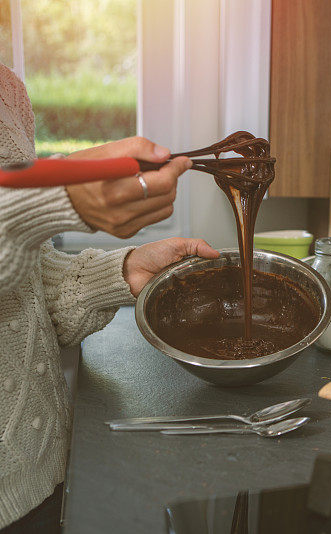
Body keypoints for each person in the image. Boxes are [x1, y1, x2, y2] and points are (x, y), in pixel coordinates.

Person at [0, 64, 219, 532]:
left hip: (39, 470)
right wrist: (53, 192)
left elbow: (20, 286)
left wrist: (120, 271)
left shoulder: (7, 90)